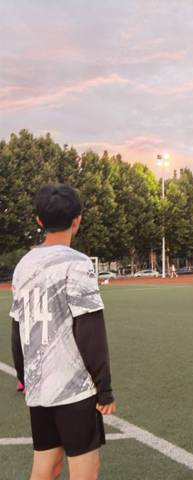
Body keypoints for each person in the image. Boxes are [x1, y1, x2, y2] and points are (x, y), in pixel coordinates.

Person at [10, 184, 116, 480]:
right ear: (77, 219)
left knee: (46, 468)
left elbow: (17, 328)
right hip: (73, 389)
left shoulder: (23, 265)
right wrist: (104, 388)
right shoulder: (77, 263)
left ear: (38, 220)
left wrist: (25, 378)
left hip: (38, 388)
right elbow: (90, 329)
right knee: (85, 471)